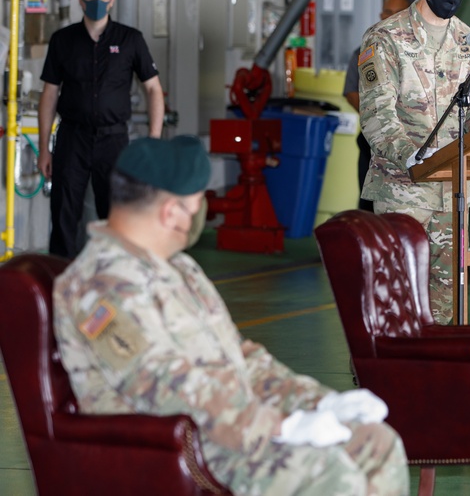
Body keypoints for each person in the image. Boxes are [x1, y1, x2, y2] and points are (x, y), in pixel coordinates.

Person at [52, 136, 409, 495]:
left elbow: (239, 357)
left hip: (231, 428)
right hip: (176, 444)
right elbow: (161, 387)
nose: (201, 213)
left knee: (377, 444)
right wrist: (277, 427)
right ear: (171, 212)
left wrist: (317, 401)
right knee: (328, 474)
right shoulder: (97, 286)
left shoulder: (180, 269)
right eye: (197, 203)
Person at [358, 0, 470, 325]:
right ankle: (386, 371)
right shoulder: (385, 38)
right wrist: (413, 156)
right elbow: (377, 116)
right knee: (398, 293)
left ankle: (440, 373)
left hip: (452, 193)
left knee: (448, 300)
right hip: (404, 190)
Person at [38, 0, 165, 259]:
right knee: (63, 214)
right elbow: (49, 94)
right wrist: (45, 148)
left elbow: (154, 90)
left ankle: (115, 276)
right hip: (72, 139)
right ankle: (60, 283)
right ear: (80, 0)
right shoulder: (63, 40)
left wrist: (153, 142)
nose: (97, 1)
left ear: (112, 1)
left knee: (118, 216)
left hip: (114, 140)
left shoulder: (130, 40)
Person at [344, 0, 410, 212]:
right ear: (381, 15)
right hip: (373, 138)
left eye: (397, 12)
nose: (391, 17)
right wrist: (377, 116)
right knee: (369, 198)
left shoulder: (415, 52)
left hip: (410, 139)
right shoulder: (366, 50)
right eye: (387, 12)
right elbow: (352, 93)